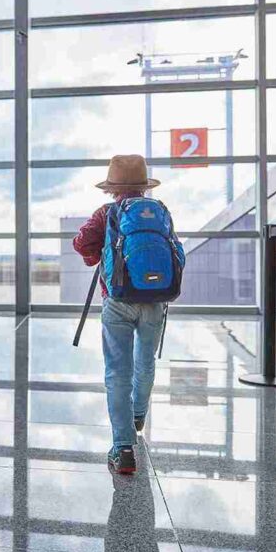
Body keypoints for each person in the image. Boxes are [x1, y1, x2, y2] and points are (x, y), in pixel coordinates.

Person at [72, 154, 184, 475]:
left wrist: (102, 254)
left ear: (112, 187)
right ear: (144, 185)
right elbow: (175, 250)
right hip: (155, 301)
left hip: (117, 300)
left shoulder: (106, 213)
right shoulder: (160, 212)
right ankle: (138, 415)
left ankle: (123, 449)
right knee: (145, 362)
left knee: (117, 372)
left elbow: (81, 244)